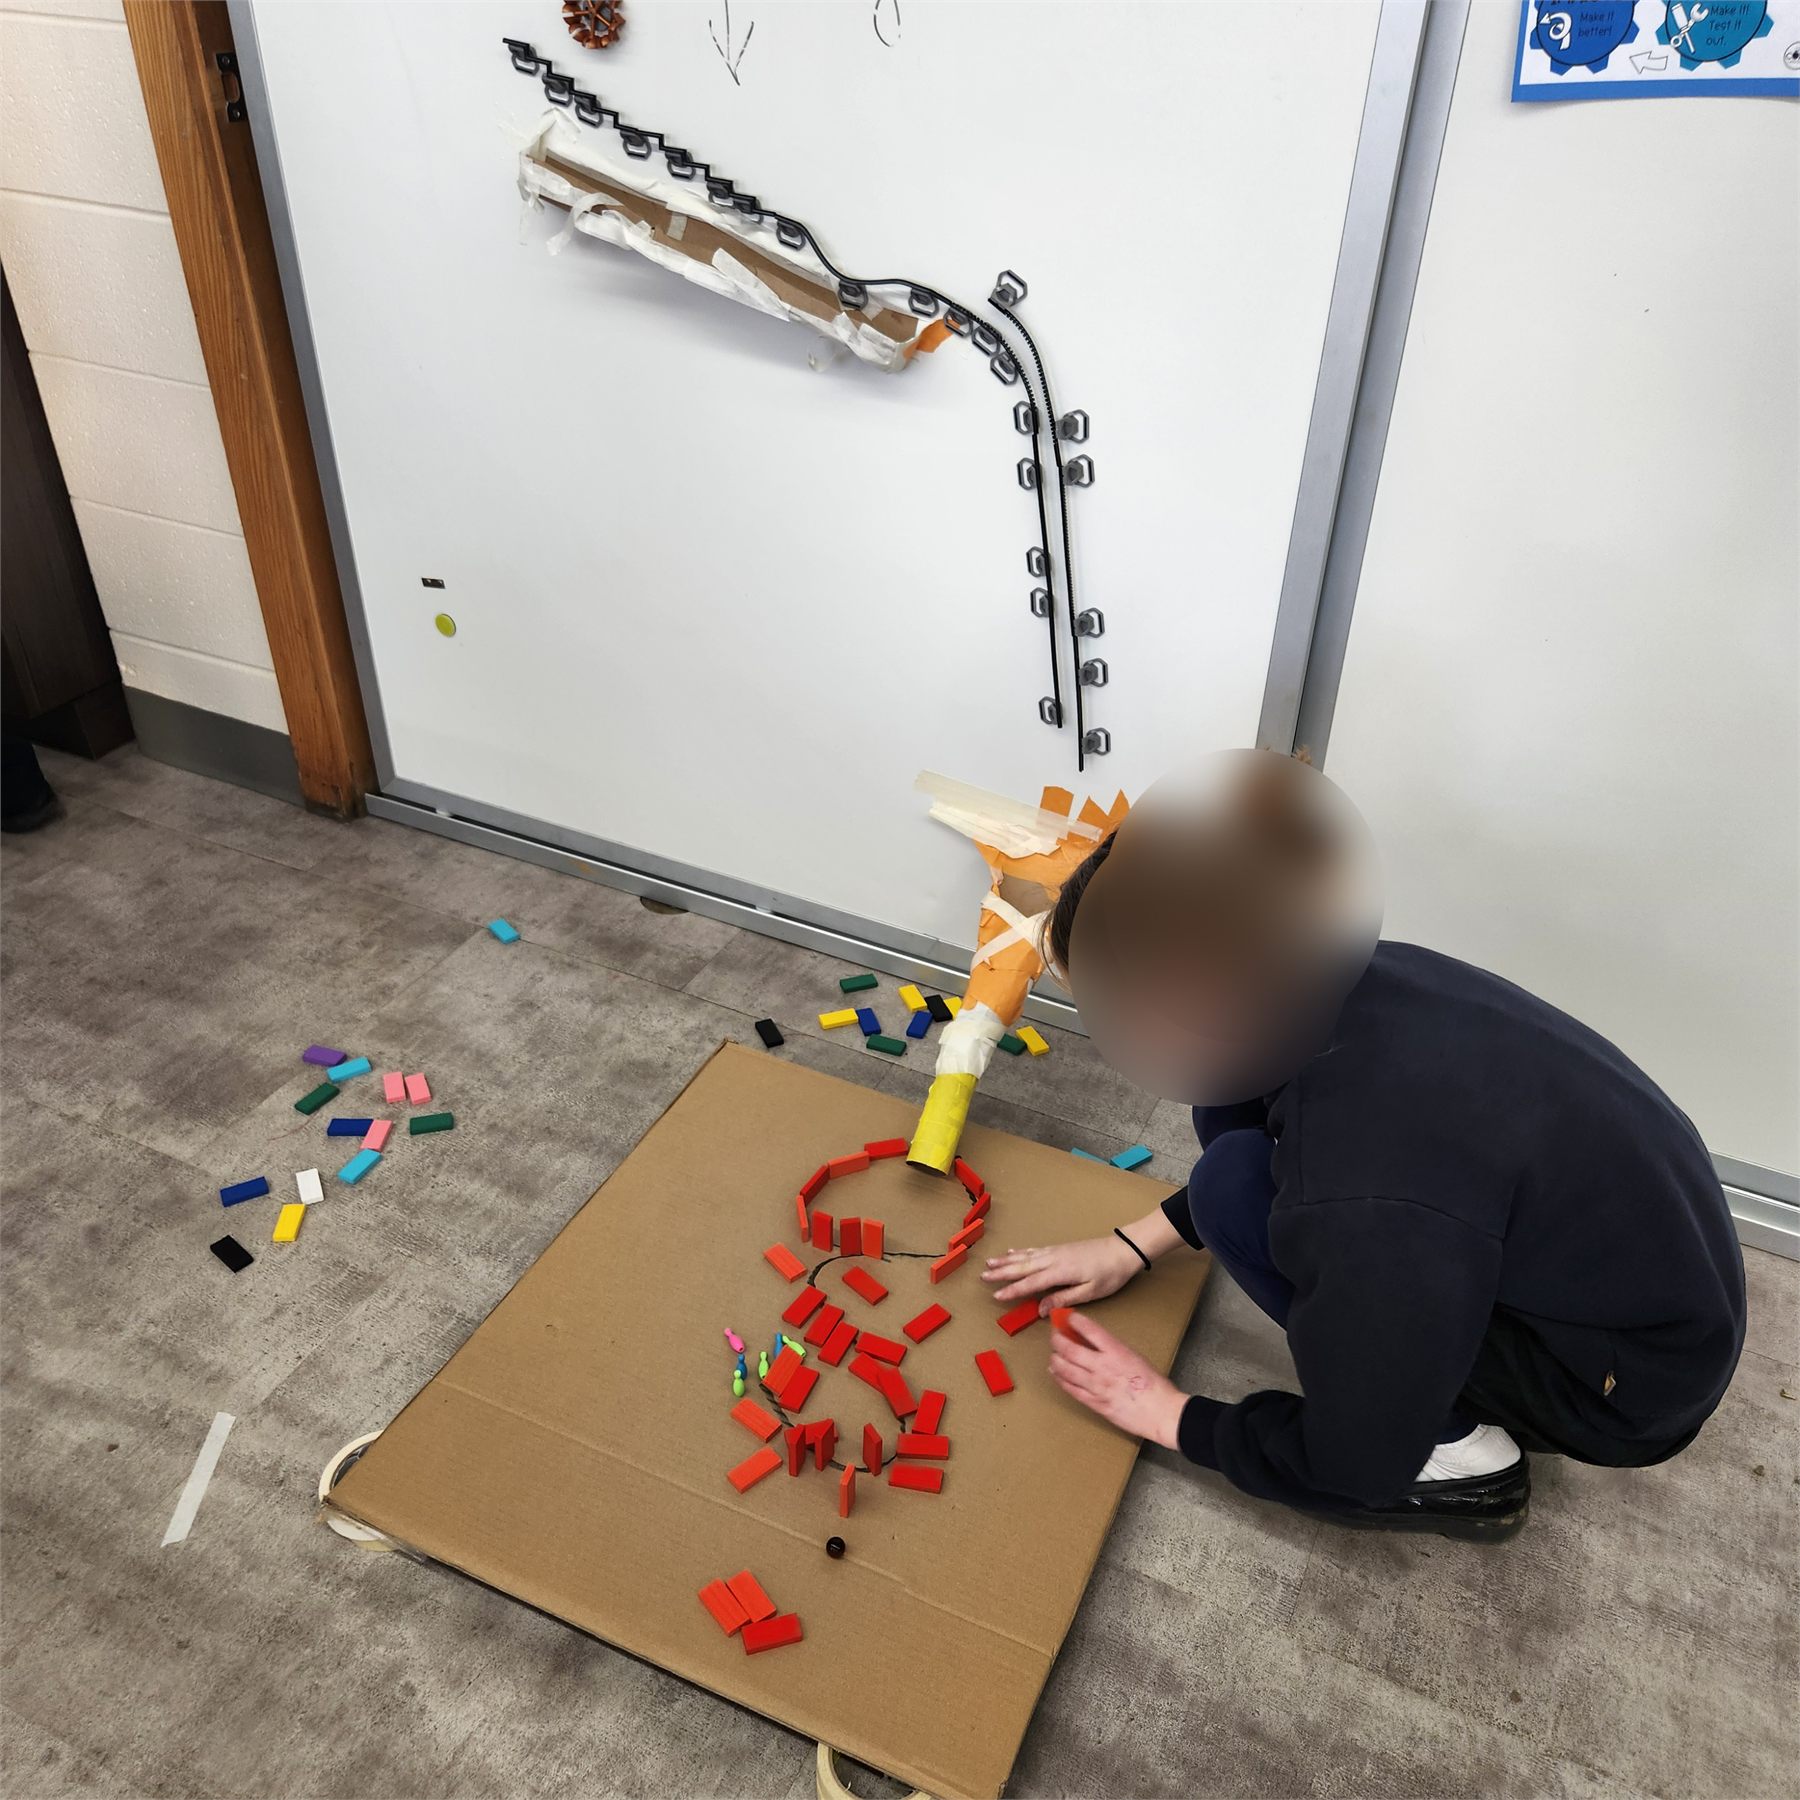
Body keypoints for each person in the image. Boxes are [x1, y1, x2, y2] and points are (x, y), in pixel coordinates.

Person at [983, 751, 1745, 1542]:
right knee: (1229, 1134)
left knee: (1240, 1191)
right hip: (1653, 1277)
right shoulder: (1335, 971)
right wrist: (1135, 1244)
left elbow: (1349, 1463)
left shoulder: (1369, 1180)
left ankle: (1462, 1459)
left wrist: (1169, 1413)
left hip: (1626, 1386)